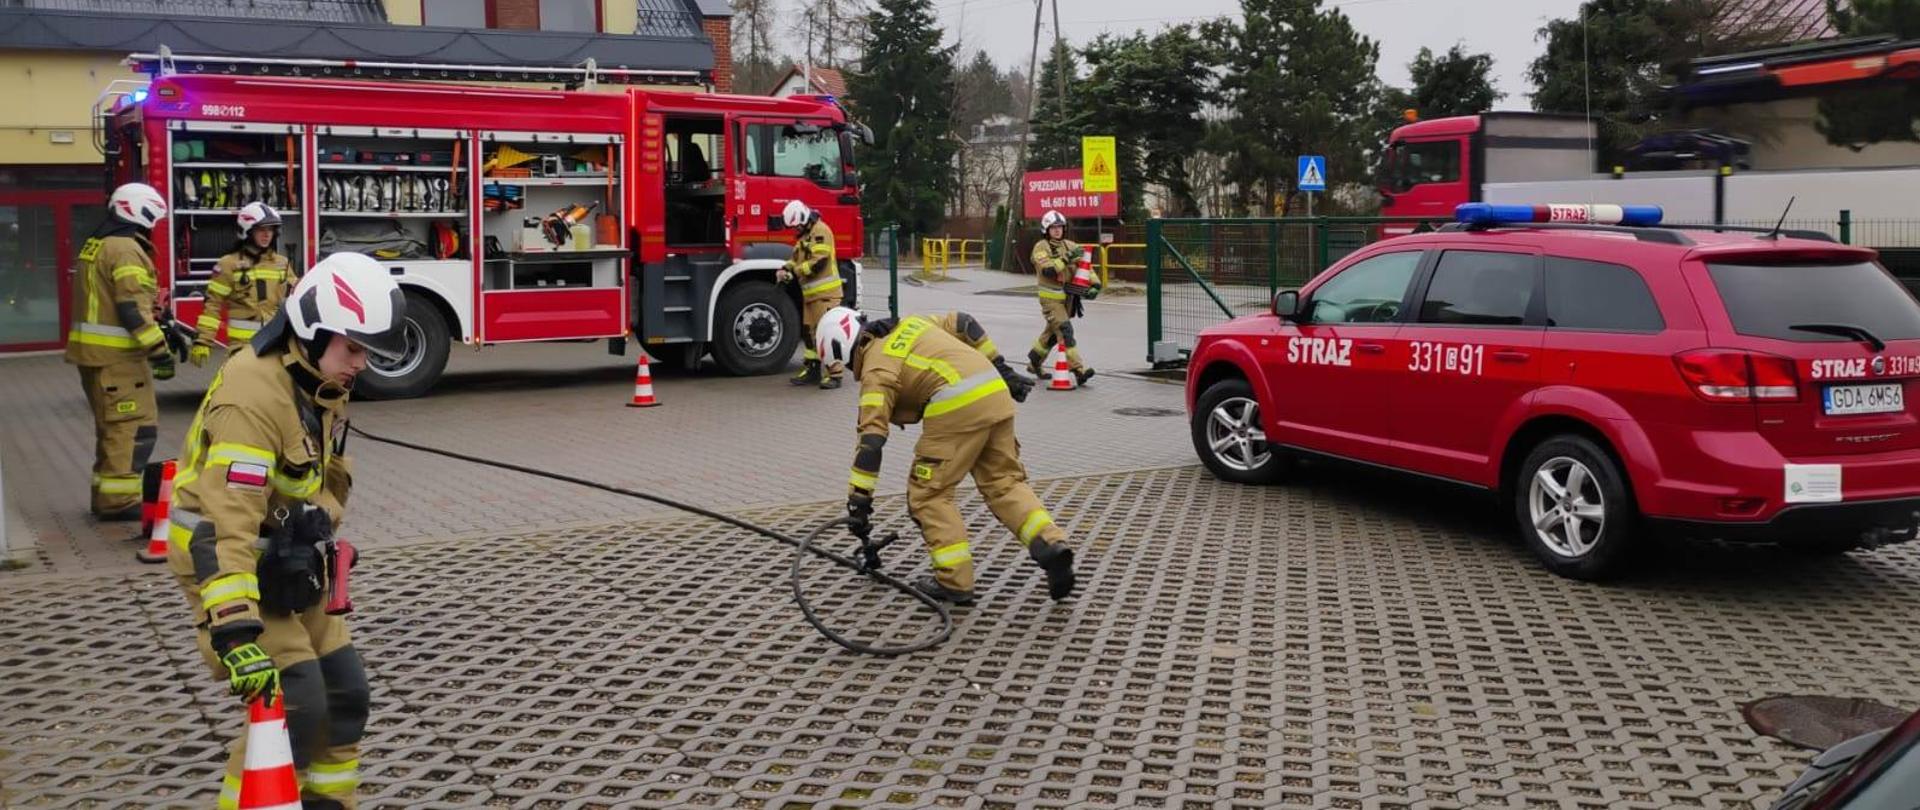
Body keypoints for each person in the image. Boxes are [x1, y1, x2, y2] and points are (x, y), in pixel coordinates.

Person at [165, 253, 407, 810]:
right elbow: (229, 521)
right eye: (353, 349)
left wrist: (321, 521)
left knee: (346, 695)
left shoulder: (313, 378)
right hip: (231, 564)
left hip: (289, 557)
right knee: (296, 701)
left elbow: (310, 480)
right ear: (313, 331)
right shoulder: (251, 398)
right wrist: (234, 629)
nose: (361, 365)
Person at [818, 306, 1074, 605]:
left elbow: (871, 441)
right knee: (1004, 483)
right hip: (994, 392)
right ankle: (1051, 545)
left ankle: (954, 580)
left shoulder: (877, 368)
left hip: (956, 405)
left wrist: (859, 500)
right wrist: (1002, 368)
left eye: (848, 365)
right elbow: (965, 322)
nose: (853, 371)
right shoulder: (913, 325)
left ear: (842, 345)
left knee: (929, 495)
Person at [63, 182, 173, 520]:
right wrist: (160, 351)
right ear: (137, 211)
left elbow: (114, 303)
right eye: (150, 218)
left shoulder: (97, 244)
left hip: (95, 358)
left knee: (111, 429)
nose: (151, 226)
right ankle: (119, 503)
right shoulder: (126, 249)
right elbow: (130, 309)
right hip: (118, 361)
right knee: (134, 427)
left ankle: (104, 495)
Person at [191, 202, 294, 367]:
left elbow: (296, 300)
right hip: (242, 348)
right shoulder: (228, 264)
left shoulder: (282, 264)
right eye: (261, 229)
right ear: (247, 230)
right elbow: (213, 306)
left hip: (276, 346)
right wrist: (203, 340)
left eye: (270, 229)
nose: (267, 234)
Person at [778, 200, 844, 389]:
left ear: (804, 219)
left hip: (825, 295)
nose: (795, 229)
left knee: (827, 334)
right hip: (811, 296)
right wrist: (784, 269)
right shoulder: (804, 236)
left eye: (797, 225)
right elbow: (794, 259)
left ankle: (835, 373)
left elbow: (818, 263)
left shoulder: (820, 232)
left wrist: (794, 272)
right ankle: (813, 369)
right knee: (809, 335)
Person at [1027, 210, 1095, 386]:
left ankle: (1034, 362)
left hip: (1068, 300)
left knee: (1051, 336)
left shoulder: (1070, 245)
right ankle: (1079, 371)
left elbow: (1086, 266)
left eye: (1060, 227)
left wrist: (1095, 285)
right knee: (1065, 331)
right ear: (1046, 229)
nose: (1057, 230)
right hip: (1050, 301)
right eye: (1053, 227)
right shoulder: (1041, 247)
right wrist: (1066, 258)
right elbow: (1048, 270)